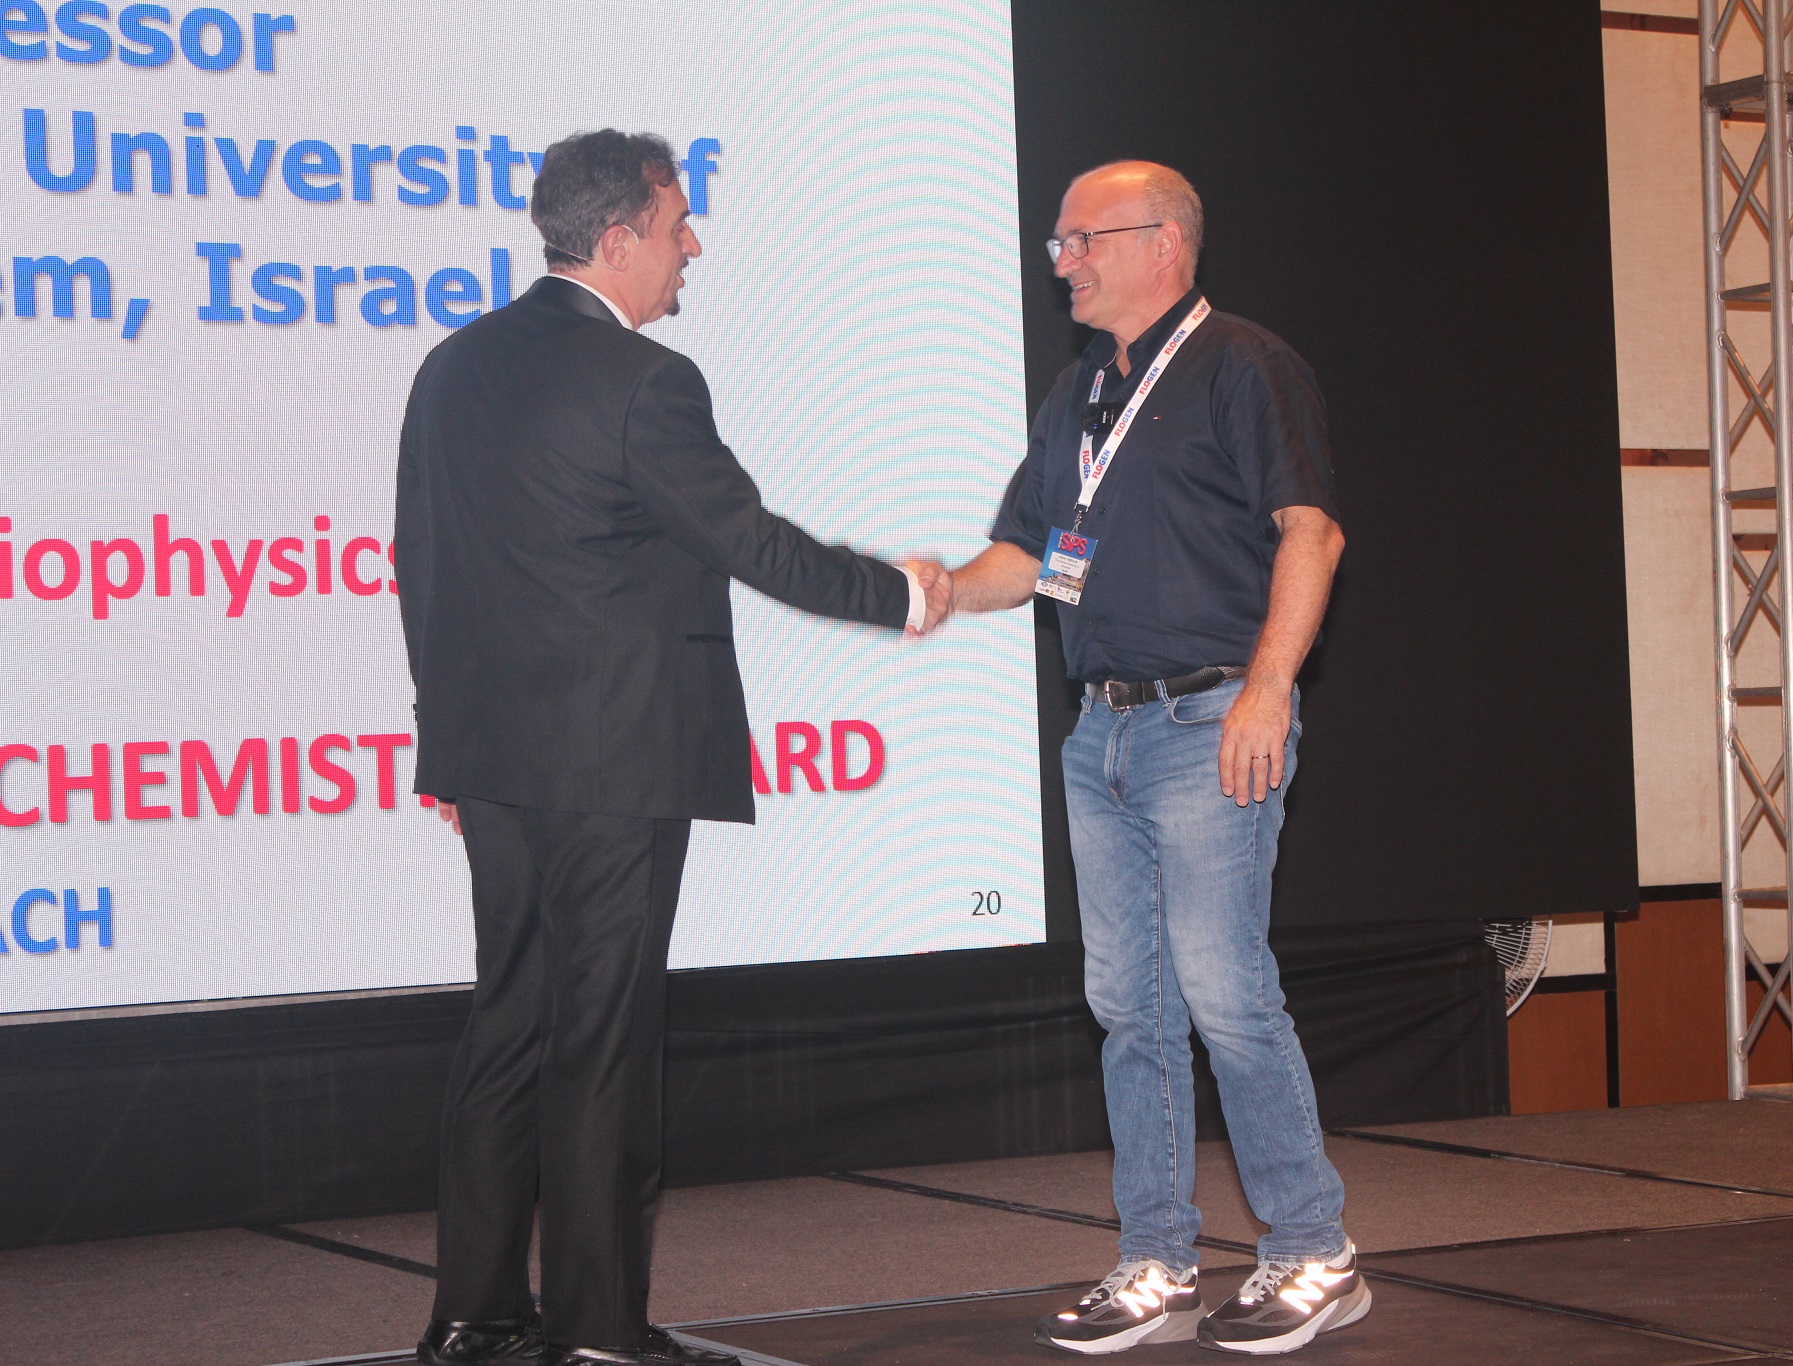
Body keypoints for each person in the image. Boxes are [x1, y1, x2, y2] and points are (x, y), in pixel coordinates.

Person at [395, 129, 948, 1366]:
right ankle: (597, 1333)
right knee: (601, 1042)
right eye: (677, 222)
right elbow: (746, 540)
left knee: (510, 1025)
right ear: (617, 238)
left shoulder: (450, 366)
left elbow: (418, 561)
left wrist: (448, 741)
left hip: (494, 760)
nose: (692, 244)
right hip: (616, 762)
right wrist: (903, 594)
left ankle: (474, 1316)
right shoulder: (646, 380)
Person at [942, 161, 1363, 1355]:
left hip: (1209, 719)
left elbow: (1312, 531)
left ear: (1165, 241)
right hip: (1103, 732)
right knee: (1129, 1005)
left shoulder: (1244, 364)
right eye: (1059, 244)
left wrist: (1268, 688)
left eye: (1083, 240)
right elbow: (1029, 553)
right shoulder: (1081, 389)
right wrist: (936, 589)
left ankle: (1314, 1248)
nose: (1063, 262)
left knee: (1224, 988)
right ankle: (1158, 1260)